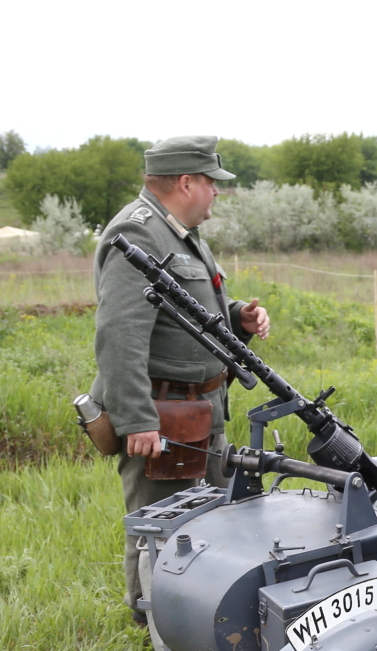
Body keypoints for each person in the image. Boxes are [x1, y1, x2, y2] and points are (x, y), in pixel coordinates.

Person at [91, 136, 271, 625]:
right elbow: (120, 333)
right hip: (163, 415)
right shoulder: (139, 232)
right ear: (186, 181)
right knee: (162, 528)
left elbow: (185, 311)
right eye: (212, 182)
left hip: (202, 411)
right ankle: (156, 637)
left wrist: (237, 317)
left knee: (214, 519)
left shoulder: (182, 233)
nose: (216, 193)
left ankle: (200, 625)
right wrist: (135, 422)